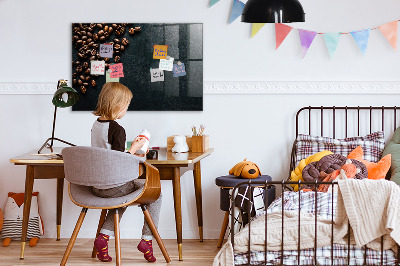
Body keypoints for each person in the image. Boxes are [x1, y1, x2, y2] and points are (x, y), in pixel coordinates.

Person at [91, 82, 161, 263]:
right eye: (126, 106)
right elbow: (119, 161)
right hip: (114, 186)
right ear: (118, 105)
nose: (126, 110)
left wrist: (130, 149)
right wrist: (136, 148)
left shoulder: (96, 125)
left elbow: (108, 154)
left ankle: (103, 238)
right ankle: (147, 240)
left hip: (97, 186)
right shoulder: (117, 129)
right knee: (156, 194)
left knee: (121, 197)